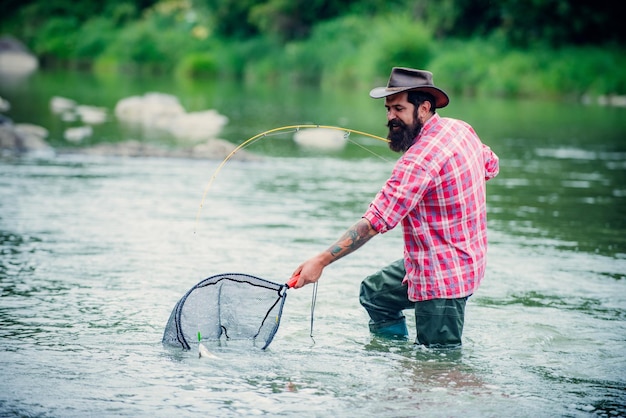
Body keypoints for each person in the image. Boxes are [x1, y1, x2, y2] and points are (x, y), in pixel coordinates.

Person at [290, 67, 499, 347]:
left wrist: (320, 261)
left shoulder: (418, 161)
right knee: (374, 295)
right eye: (388, 109)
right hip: (462, 260)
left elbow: (375, 222)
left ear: (423, 108)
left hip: (443, 280)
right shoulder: (460, 129)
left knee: (437, 368)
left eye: (399, 108)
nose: (390, 117)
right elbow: (491, 164)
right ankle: (397, 361)